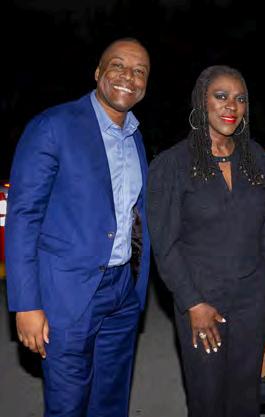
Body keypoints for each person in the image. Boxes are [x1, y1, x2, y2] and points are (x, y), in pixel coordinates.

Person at [6, 38, 151, 417]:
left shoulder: (135, 136)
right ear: (98, 72)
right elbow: (24, 216)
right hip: (67, 294)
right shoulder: (53, 126)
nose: (129, 77)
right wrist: (26, 303)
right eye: (118, 66)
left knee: (110, 402)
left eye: (139, 71)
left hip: (123, 291)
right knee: (68, 405)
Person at [146, 65, 265, 417]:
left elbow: (263, 237)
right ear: (202, 102)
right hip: (202, 302)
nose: (231, 105)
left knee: (246, 398)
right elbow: (165, 243)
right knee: (207, 398)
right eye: (221, 96)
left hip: (252, 302)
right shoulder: (172, 164)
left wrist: (262, 312)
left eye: (240, 98)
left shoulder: (256, 159)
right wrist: (192, 303)